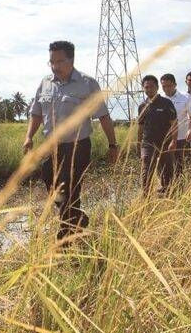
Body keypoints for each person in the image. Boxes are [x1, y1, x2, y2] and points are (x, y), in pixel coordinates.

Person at [24, 40, 119, 239]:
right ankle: (77, 216)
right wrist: (29, 137)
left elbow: (103, 116)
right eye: (51, 62)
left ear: (72, 59)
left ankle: (65, 237)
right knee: (49, 180)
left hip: (78, 146)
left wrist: (112, 145)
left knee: (71, 189)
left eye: (59, 61)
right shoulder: (45, 82)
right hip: (51, 145)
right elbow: (36, 114)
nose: (55, 66)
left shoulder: (87, 84)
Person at [136, 75, 177, 195]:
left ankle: (168, 194)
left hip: (165, 142)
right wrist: (138, 144)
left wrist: (173, 141)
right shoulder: (142, 106)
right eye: (146, 87)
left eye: (152, 87)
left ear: (157, 87)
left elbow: (174, 124)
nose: (149, 89)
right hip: (148, 143)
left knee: (167, 171)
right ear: (143, 88)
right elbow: (140, 127)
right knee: (146, 169)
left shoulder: (166, 103)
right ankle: (146, 196)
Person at [159, 73, 191, 190]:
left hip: (181, 137)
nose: (166, 89)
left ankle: (180, 187)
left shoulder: (185, 97)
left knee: (178, 162)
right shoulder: (160, 99)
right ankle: (165, 186)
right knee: (163, 163)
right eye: (163, 86)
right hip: (164, 138)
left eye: (168, 86)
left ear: (175, 85)